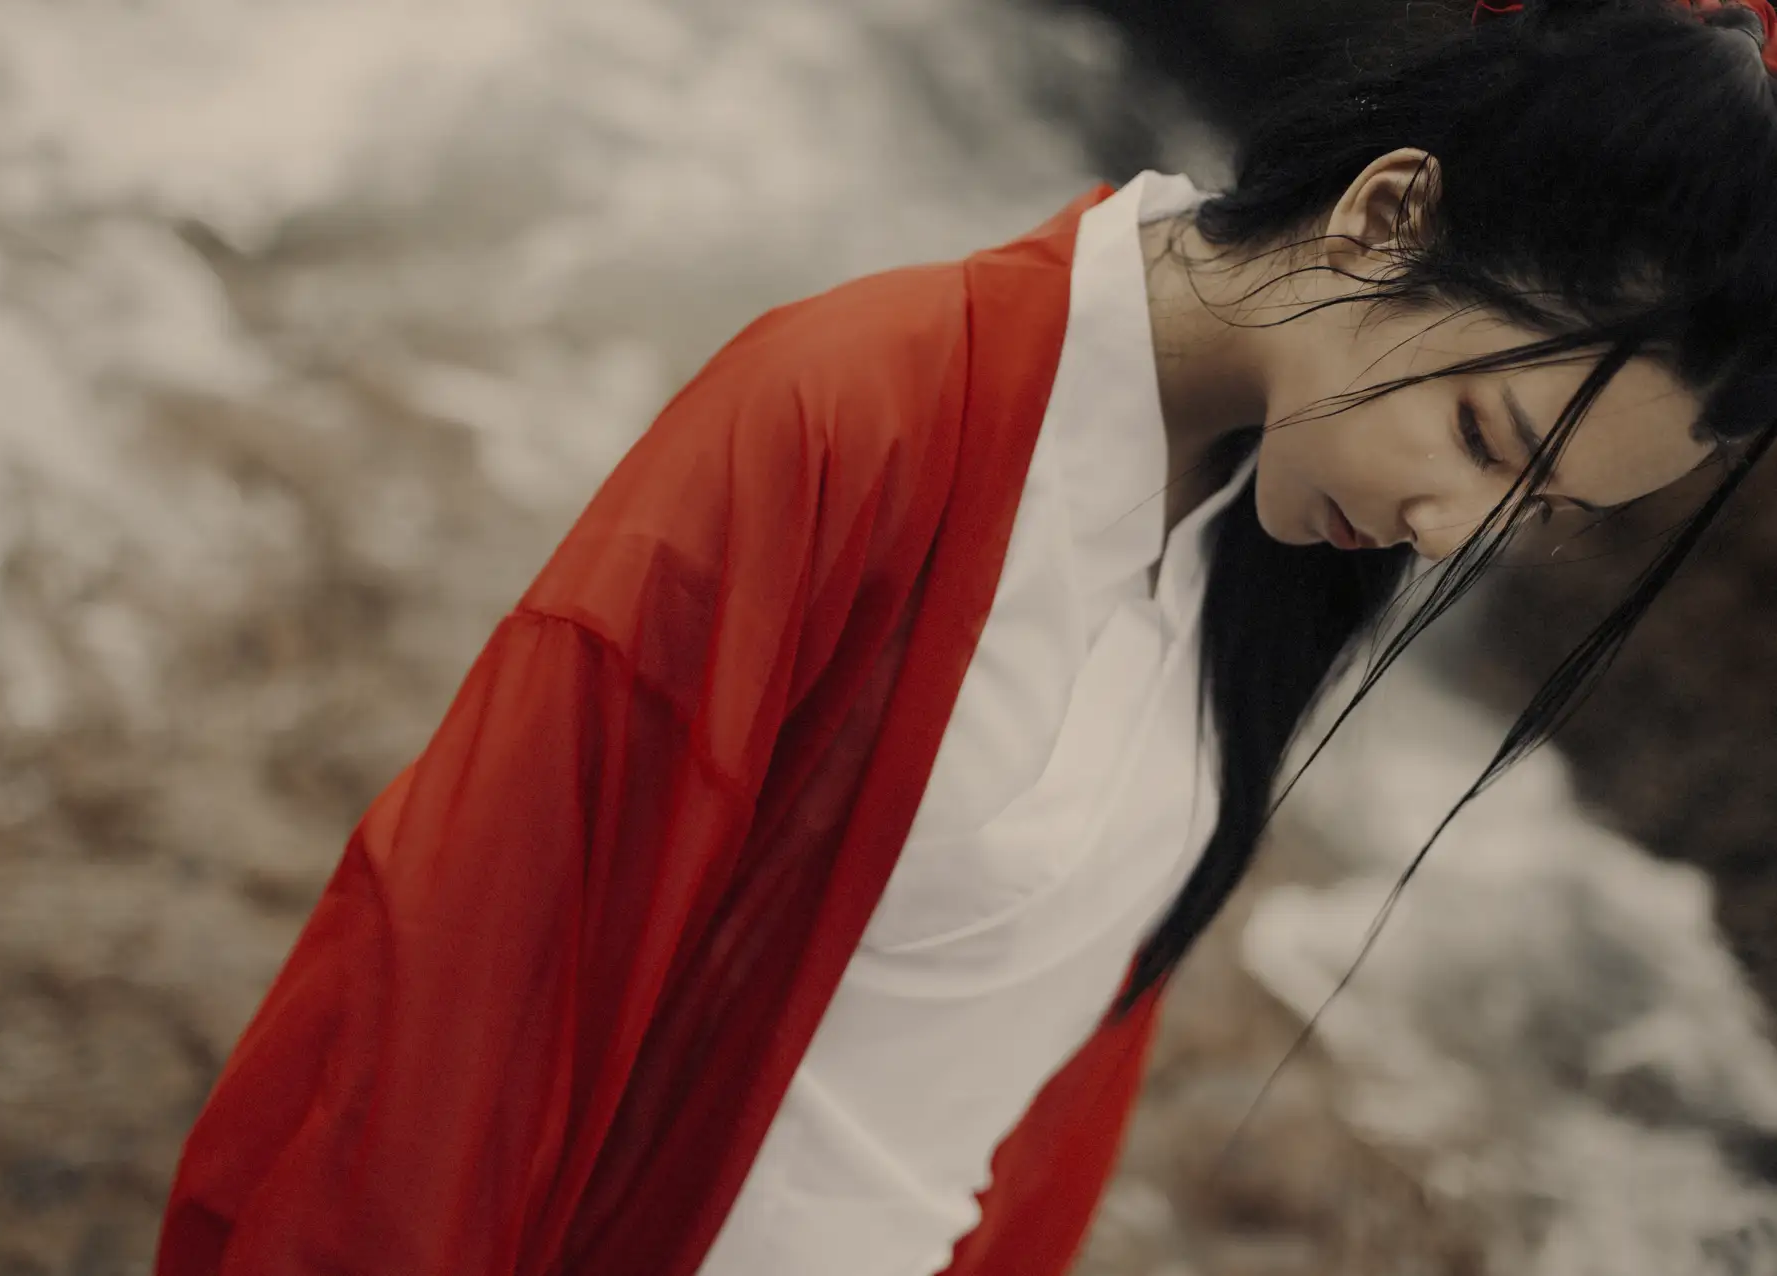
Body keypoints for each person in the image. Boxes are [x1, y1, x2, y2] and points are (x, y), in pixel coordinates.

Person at [154, 1, 1777, 1273]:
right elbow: (456, 990)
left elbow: (1006, 1095)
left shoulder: (1276, 545)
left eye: (1541, 512)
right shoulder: (845, 412)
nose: (1455, 533)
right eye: (1486, 441)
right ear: (1384, 212)